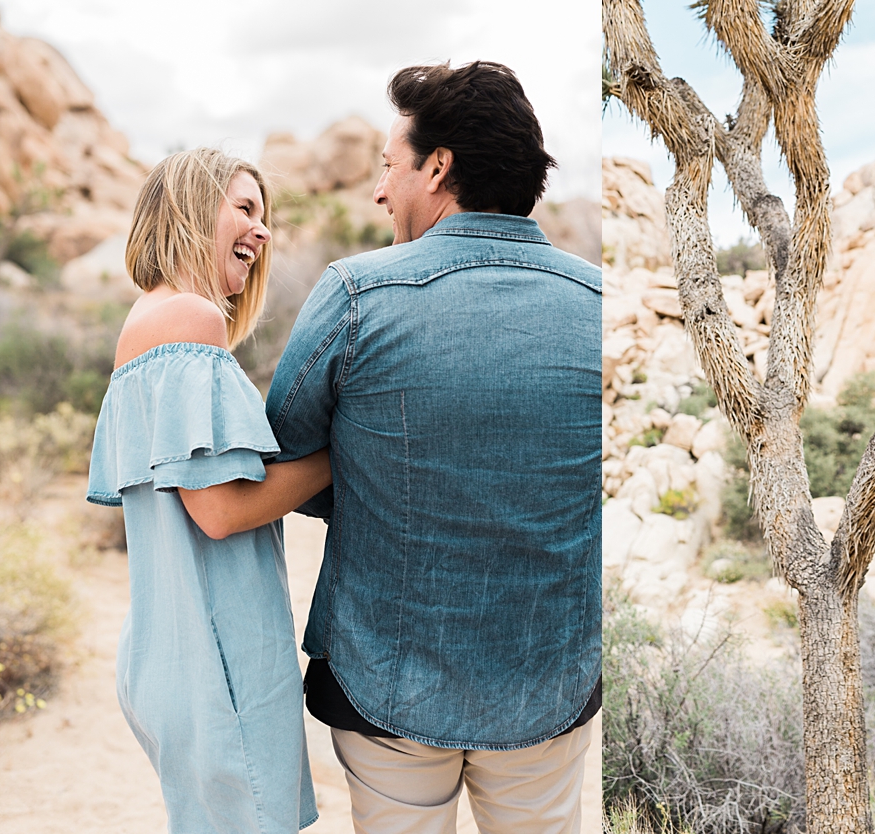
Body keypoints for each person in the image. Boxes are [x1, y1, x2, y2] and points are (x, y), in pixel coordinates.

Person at [265, 61, 601, 834]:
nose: (381, 190)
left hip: (389, 686)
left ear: (438, 166)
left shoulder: (356, 293)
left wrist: (379, 475)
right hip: (548, 685)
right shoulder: (599, 301)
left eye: (389, 166)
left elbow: (288, 458)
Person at [86, 149, 332, 833]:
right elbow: (221, 512)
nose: (263, 232)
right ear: (195, 208)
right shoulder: (193, 321)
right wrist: (338, 456)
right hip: (221, 667)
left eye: (266, 216)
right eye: (245, 209)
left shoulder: (144, 324)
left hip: (173, 657)